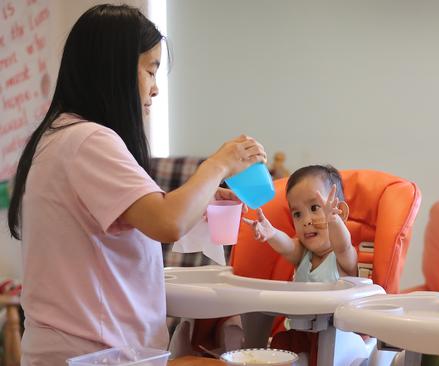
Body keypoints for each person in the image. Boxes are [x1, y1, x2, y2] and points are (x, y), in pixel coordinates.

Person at [7, 4, 266, 365]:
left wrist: (202, 200)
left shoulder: (60, 136)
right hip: (94, 352)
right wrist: (219, 163)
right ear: (114, 71)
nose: (156, 89)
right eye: (150, 70)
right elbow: (166, 222)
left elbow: (143, 215)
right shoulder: (89, 141)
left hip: (80, 350)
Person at [243, 164, 357, 282]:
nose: (306, 221)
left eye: (314, 208)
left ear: (340, 212)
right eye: (297, 214)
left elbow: (343, 245)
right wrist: (272, 233)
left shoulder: (344, 257)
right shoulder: (302, 254)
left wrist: (334, 220)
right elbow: (287, 246)